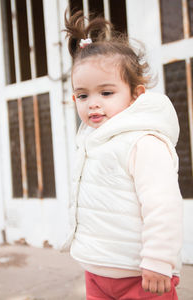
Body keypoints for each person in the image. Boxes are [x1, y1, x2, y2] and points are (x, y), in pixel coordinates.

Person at [62, 10, 183, 300]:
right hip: (98, 270)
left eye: (106, 93)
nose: (93, 104)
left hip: (141, 275)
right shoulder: (92, 140)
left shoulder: (144, 142)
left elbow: (162, 206)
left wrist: (158, 260)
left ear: (136, 94)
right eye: (83, 95)